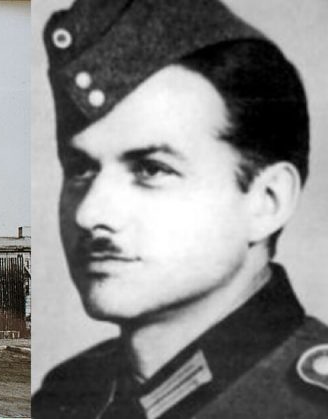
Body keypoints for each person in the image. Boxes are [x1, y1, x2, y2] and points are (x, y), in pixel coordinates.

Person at [33, 0, 328, 417]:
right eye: (81, 169)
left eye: (152, 170)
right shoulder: (70, 395)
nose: (90, 213)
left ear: (267, 202)